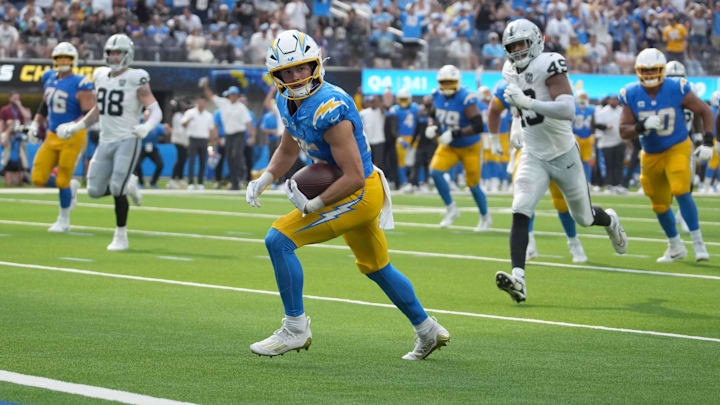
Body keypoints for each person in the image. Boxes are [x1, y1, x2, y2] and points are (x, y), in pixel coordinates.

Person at [245, 30, 449, 360]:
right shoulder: (286, 101)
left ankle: (295, 328)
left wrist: (314, 204)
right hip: (345, 188)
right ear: (276, 75)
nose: (295, 76)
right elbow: (287, 146)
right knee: (377, 267)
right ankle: (427, 330)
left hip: (357, 191)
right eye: (287, 70)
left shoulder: (331, 106)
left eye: (301, 68)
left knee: (278, 239)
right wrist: (264, 178)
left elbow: (353, 176)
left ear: (316, 65)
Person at [496, 19, 627, 303]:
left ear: (536, 40)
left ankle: (609, 219)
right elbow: (520, 100)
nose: (517, 51)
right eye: (511, 46)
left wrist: (527, 104)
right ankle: (518, 278)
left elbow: (568, 109)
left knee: (584, 217)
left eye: (521, 44)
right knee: (520, 209)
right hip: (532, 153)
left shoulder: (550, 63)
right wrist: (516, 121)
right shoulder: (509, 70)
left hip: (563, 152)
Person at [56, 34, 157, 251]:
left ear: (127, 54)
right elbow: (98, 110)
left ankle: (121, 235)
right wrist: (76, 127)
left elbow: (155, 109)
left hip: (128, 138)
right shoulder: (100, 75)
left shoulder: (137, 77)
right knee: (93, 190)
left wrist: (146, 127)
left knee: (117, 189)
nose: (113, 56)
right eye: (111, 52)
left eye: (117, 52)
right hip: (105, 140)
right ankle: (130, 185)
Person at [618, 48, 712, 262]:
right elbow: (623, 129)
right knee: (659, 204)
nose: (649, 75)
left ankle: (699, 244)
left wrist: (707, 140)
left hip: (677, 146)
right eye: (645, 70)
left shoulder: (676, 87)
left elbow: (705, 111)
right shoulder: (630, 93)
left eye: (654, 70)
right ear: (637, 71)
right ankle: (675, 246)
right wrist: (641, 126)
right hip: (650, 153)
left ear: (662, 70)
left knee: (680, 189)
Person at [489, 79, 587, 264]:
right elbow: (494, 109)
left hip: (557, 148)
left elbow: (565, 113)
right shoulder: (507, 84)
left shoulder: (553, 80)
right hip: (528, 150)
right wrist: (495, 139)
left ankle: (574, 241)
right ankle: (529, 243)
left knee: (563, 203)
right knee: (523, 199)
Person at [26, 42, 92, 232]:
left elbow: (89, 113)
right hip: (52, 135)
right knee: (38, 177)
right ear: (54, 60)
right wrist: (35, 123)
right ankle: (70, 188)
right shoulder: (48, 77)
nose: (63, 62)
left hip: (73, 135)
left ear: (73, 61)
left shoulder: (81, 82)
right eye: (59, 58)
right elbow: (46, 105)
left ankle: (64, 220)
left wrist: (73, 126)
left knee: (62, 178)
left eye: (67, 58)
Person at [425, 64, 492, 231]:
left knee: (473, 185)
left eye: (450, 82)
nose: (446, 86)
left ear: (457, 81)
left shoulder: (466, 98)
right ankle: (451, 209)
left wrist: (455, 134)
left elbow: (478, 126)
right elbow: (434, 116)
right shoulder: (436, 96)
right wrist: (433, 126)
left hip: (470, 146)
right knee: (435, 171)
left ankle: (485, 216)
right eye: (444, 82)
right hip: (450, 146)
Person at [201, 80, 254, 190]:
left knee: (236, 155)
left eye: (234, 94)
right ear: (229, 95)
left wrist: (252, 136)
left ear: (237, 96)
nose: (232, 96)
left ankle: (242, 172)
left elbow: (248, 123)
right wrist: (206, 86)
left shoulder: (241, 107)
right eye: (231, 94)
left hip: (239, 134)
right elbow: (211, 97)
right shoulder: (224, 103)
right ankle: (235, 183)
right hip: (228, 135)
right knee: (229, 158)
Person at [181, 95, 216, 190]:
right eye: (200, 102)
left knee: (202, 162)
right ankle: (190, 183)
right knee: (191, 161)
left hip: (204, 140)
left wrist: (212, 141)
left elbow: (211, 129)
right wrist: (189, 119)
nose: (201, 104)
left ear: (205, 103)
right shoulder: (190, 113)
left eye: (203, 102)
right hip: (193, 139)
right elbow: (183, 124)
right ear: (197, 102)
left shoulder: (209, 115)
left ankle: (201, 183)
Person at [388, 88, 419, 192]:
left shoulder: (415, 108)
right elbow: (393, 128)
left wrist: (417, 137)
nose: (404, 101)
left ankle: (417, 183)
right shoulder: (395, 110)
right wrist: (400, 139)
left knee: (416, 161)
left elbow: (419, 124)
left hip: (414, 137)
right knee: (401, 162)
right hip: (402, 138)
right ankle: (403, 182)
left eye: (405, 99)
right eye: (402, 99)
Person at [594, 94, 626, 194]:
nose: (614, 102)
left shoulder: (621, 111)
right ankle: (608, 184)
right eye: (612, 100)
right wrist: (605, 126)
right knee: (608, 165)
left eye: (615, 100)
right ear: (608, 101)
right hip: (606, 142)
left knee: (619, 164)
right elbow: (597, 124)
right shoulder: (603, 111)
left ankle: (618, 184)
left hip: (619, 140)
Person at [0, 92, 31, 186]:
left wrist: (20, 106)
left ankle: (23, 177)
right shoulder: (5, 110)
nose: (16, 100)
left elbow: (27, 117)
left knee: (22, 157)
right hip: (8, 135)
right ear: (10, 98)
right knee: (8, 157)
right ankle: (6, 174)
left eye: (18, 98)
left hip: (19, 136)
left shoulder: (23, 109)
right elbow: (1, 123)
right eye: (14, 98)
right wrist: (2, 136)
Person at [134, 109, 167, 188]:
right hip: (142, 148)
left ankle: (153, 182)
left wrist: (166, 128)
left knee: (160, 164)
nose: (147, 118)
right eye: (145, 116)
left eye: (148, 116)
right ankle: (141, 182)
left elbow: (165, 132)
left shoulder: (156, 126)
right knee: (136, 164)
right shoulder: (140, 125)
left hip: (153, 149)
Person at [573, 89, 595, 182]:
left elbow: (594, 123)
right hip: (575, 138)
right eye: (581, 97)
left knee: (587, 162)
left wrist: (593, 134)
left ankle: (587, 181)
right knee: (575, 162)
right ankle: (575, 181)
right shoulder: (573, 108)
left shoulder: (591, 109)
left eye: (584, 97)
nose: (583, 100)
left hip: (587, 139)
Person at [168, 99, 189, 189]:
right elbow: (180, 130)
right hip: (179, 141)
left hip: (182, 141)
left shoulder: (180, 115)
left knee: (183, 160)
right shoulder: (177, 116)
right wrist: (185, 142)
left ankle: (180, 178)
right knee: (180, 160)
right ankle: (172, 180)